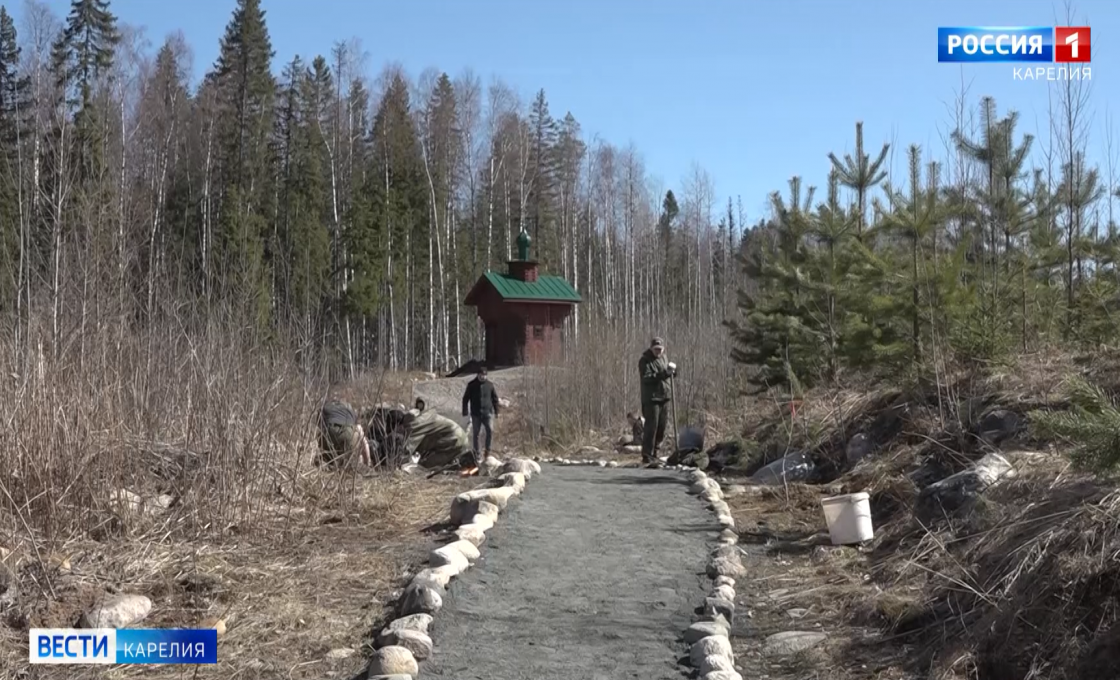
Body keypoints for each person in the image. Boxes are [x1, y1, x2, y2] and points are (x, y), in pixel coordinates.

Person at [638, 337, 677, 467]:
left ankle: (656, 452)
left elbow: (666, 375)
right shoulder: (645, 361)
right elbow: (647, 378)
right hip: (651, 399)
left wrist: (673, 372)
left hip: (664, 397)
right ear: (651, 348)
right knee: (651, 427)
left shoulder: (664, 358)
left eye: (660, 349)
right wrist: (663, 374)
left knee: (662, 426)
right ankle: (647, 455)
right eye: (656, 349)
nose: (658, 352)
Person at [317, 400, 371, 469]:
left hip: (330, 435)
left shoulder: (325, 408)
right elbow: (363, 441)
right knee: (354, 455)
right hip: (348, 435)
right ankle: (351, 464)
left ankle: (329, 461)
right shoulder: (350, 409)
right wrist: (367, 463)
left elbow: (320, 429)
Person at [462, 367, 500, 462]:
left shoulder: (490, 385)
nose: (483, 377)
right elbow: (465, 399)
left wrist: (497, 411)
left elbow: (495, 399)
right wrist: (465, 411)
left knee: (490, 431)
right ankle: (477, 453)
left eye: (485, 375)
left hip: (487, 413)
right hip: (476, 413)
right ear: (478, 374)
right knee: (476, 434)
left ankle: (487, 451)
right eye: (481, 375)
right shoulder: (472, 385)